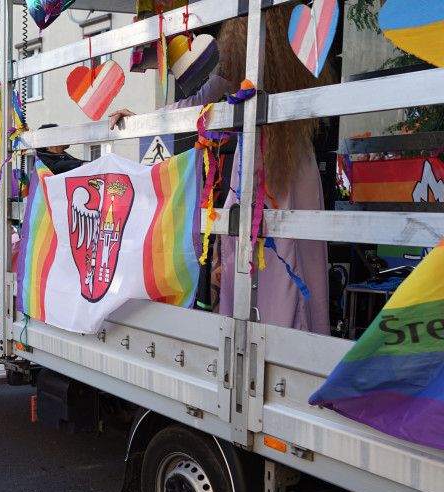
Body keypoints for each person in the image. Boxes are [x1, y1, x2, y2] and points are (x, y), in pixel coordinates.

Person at [106, 6, 331, 334]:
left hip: (260, 160)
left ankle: (250, 335)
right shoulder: (297, 44)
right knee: (299, 255)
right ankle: (301, 341)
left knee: (249, 250)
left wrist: (141, 119)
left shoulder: (243, 39)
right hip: (294, 161)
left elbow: (196, 105)